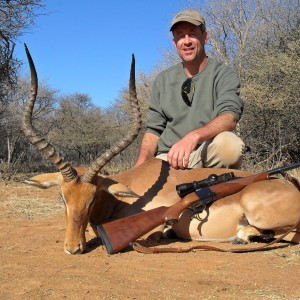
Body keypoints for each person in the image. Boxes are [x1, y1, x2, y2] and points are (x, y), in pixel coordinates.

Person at [135, 9, 245, 170]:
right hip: (169, 158)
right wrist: (137, 169)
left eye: (192, 33)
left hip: (204, 155)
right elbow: (153, 131)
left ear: (205, 37)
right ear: (175, 43)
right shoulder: (163, 79)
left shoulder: (223, 74)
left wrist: (193, 137)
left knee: (230, 146)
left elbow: (229, 117)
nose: (186, 41)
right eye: (180, 35)